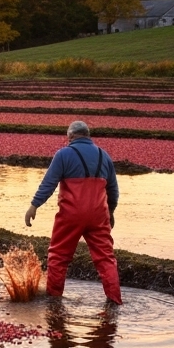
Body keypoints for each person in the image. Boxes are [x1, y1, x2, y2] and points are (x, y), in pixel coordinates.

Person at [23, 120, 122, 304]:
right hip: (99, 214)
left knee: (59, 256)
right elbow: (113, 190)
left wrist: (34, 205)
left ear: (70, 136)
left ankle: (54, 300)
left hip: (71, 214)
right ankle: (114, 300)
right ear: (88, 135)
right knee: (106, 259)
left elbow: (49, 183)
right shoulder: (104, 155)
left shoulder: (64, 154)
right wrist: (111, 212)